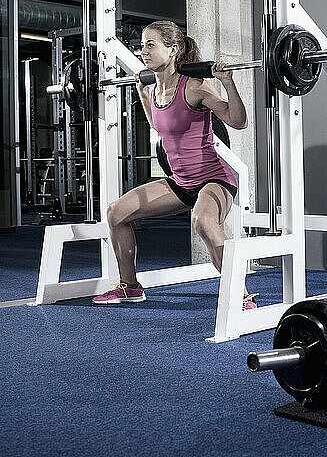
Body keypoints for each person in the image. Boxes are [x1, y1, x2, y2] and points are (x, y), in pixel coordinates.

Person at [93, 20, 258, 310]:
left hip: (214, 180)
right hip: (181, 182)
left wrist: (228, 82)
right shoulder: (155, 89)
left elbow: (238, 122)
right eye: (142, 45)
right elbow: (160, 126)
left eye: (150, 44)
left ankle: (240, 296)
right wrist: (143, 95)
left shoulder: (195, 87)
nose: (143, 51)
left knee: (203, 221)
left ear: (172, 50)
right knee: (116, 213)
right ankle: (129, 286)